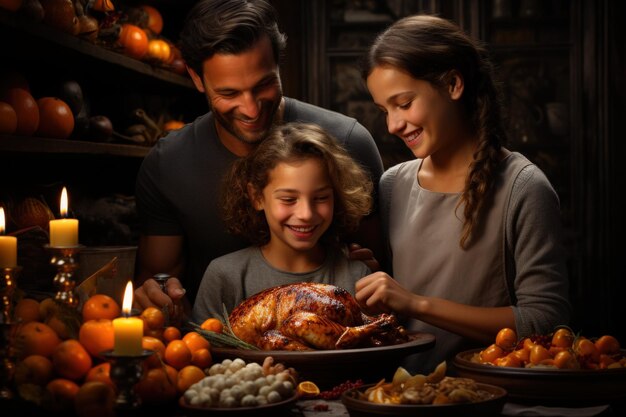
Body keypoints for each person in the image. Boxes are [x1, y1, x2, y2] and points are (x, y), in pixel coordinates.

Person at [133, 0, 384, 313]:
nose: (251, 109)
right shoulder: (168, 165)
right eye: (229, 93)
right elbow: (157, 280)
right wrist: (158, 294)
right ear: (196, 78)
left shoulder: (348, 143)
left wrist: (362, 270)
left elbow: (380, 268)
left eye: (264, 84)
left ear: (279, 64)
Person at [354, 15, 571, 373]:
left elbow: (545, 320)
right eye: (384, 110)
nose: (393, 125)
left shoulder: (524, 187)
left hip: (491, 394)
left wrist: (417, 304)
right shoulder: (392, 184)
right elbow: (392, 312)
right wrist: (372, 282)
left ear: (453, 84)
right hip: (402, 392)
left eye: (404, 103)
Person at [192, 122, 373, 321]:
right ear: (257, 197)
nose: (305, 214)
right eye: (288, 199)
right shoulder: (225, 276)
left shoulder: (356, 276)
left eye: (321, 198)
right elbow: (201, 348)